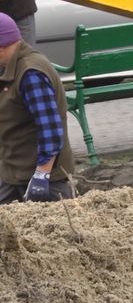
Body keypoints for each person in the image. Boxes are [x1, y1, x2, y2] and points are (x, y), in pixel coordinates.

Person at [0, 12, 75, 204]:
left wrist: (41, 175)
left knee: (55, 229)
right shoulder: (12, 66)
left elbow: (50, 129)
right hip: (15, 171)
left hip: (42, 179)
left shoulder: (30, 74)